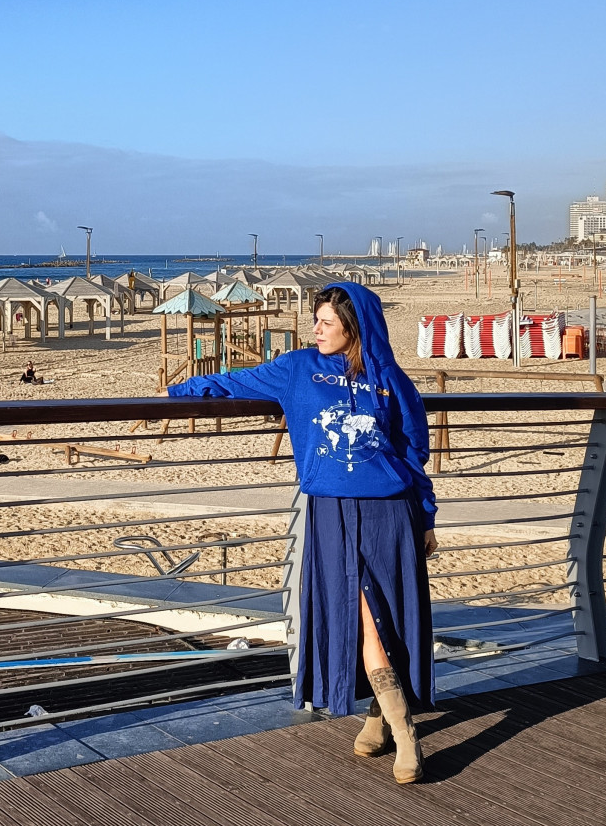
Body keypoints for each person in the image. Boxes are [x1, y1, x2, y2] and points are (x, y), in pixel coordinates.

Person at [167, 283, 436, 784]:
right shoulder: (296, 369)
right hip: (330, 509)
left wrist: (426, 517)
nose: (315, 330)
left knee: (385, 615)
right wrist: (175, 393)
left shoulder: (390, 379)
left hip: (389, 512)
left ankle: (393, 726)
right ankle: (397, 726)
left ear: (352, 328)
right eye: (315, 320)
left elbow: (413, 453)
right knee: (360, 611)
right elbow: (232, 383)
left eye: (326, 323)